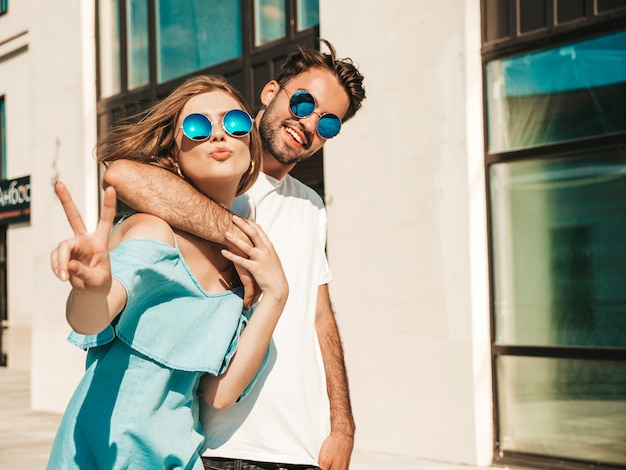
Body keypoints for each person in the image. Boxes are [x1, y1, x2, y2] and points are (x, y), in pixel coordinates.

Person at [103, 39, 366, 470]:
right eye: (303, 102)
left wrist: (342, 428)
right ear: (270, 93)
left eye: (329, 123)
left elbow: (320, 318)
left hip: (306, 447)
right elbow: (123, 173)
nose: (309, 123)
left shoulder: (311, 205)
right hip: (228, 446)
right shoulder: (216, 174)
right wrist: (238, 234)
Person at [47, 75, 289, 469]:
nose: (218, 135)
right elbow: (89, 319)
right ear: (174, 155)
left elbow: (219, 394)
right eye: (197, 126)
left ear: (251, 146)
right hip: (97, 454)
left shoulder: (240, 273)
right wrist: (89, 289)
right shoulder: (154, 233)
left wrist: (276, 294)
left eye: (236, 123)